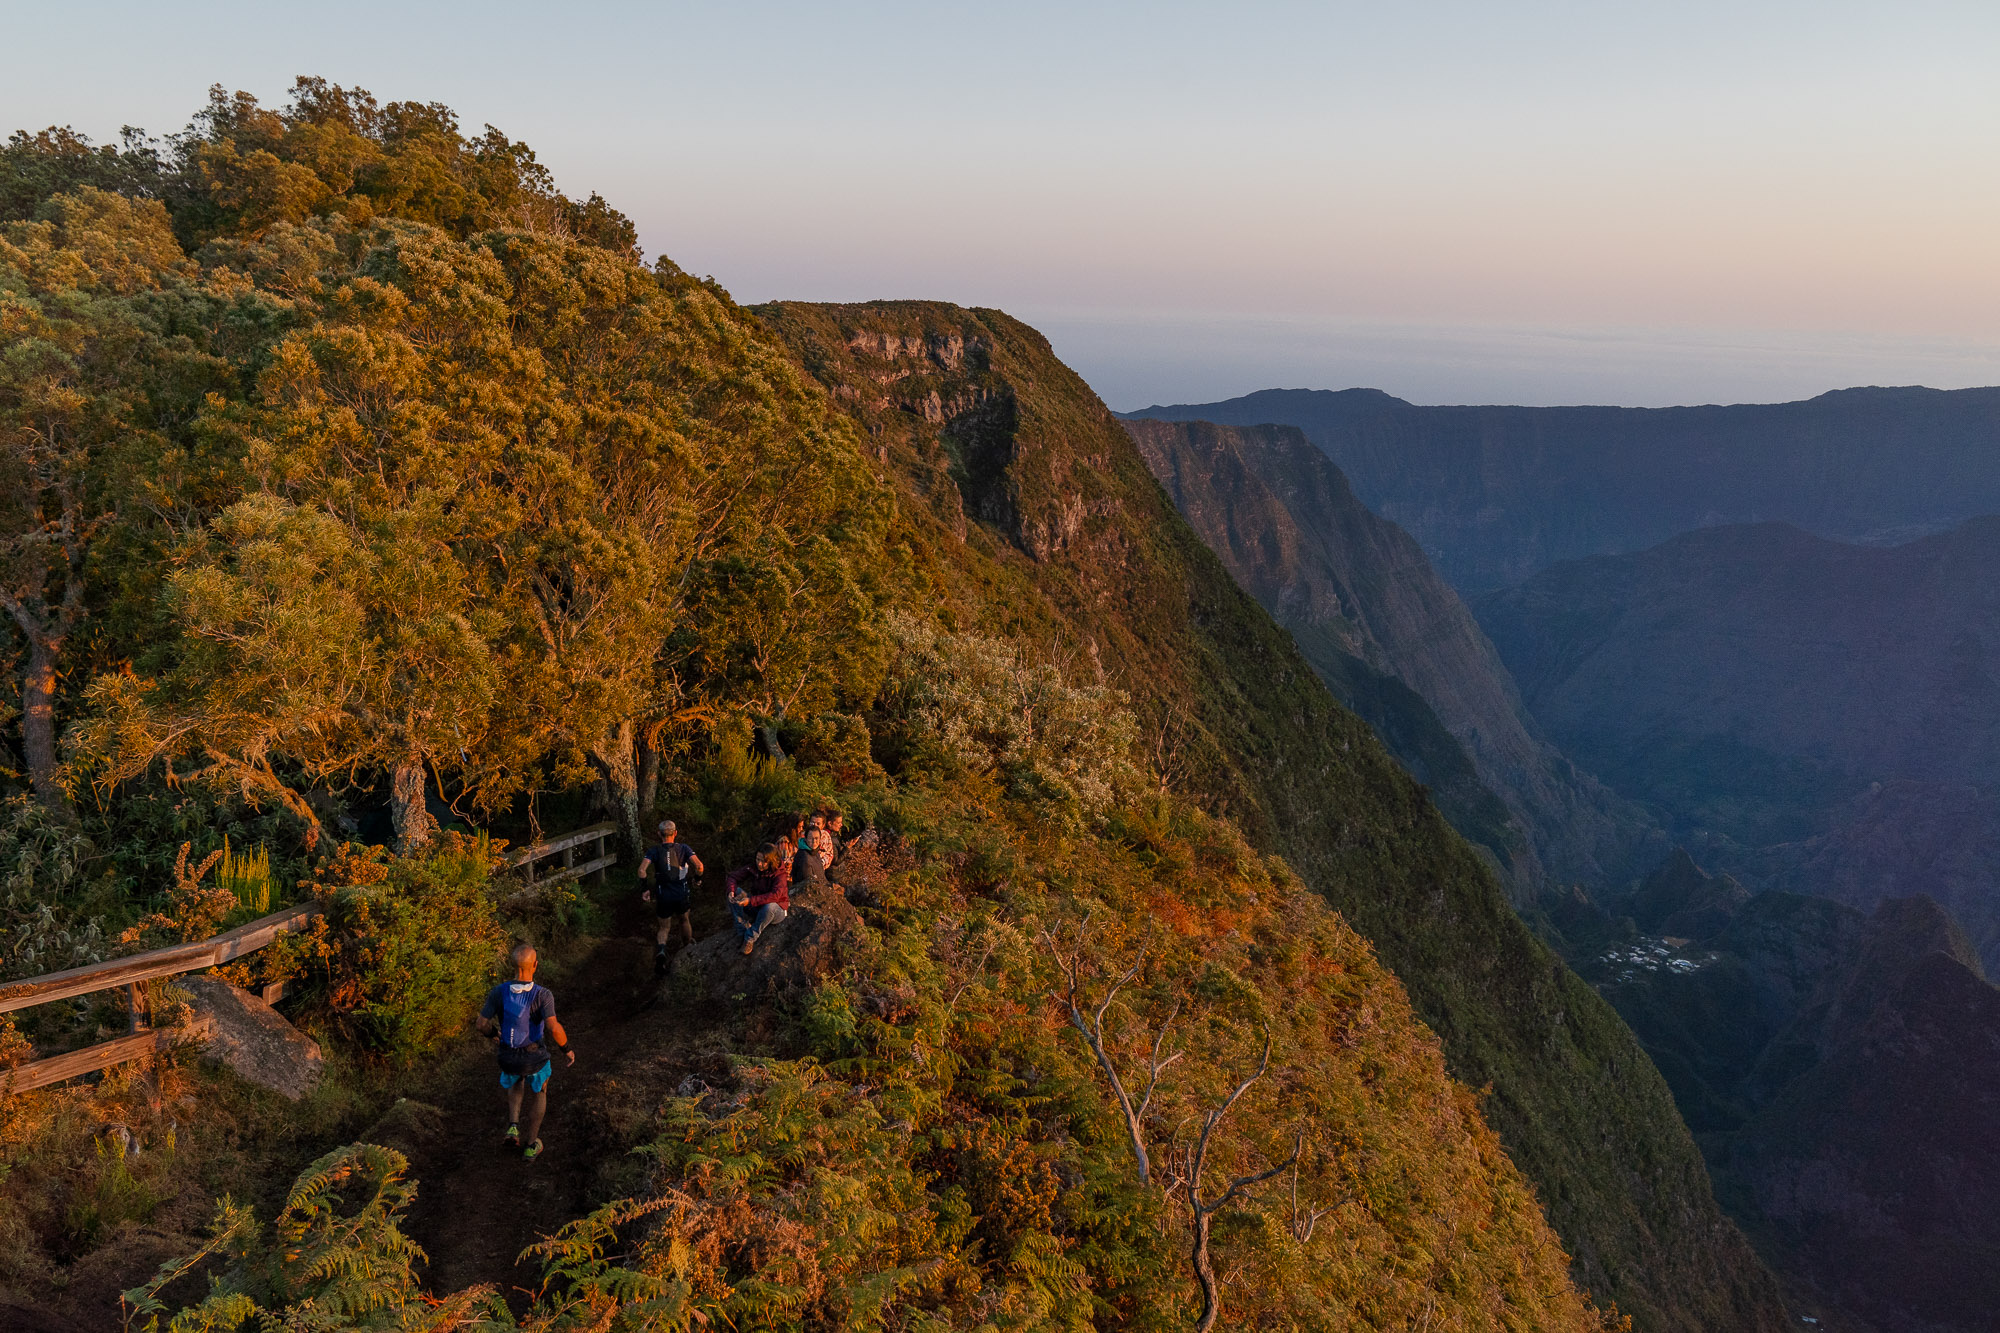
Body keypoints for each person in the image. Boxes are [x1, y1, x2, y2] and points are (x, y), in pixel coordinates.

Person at [476, 943, 575, 1160]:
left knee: (515, 1078)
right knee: (540, 1091)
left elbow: (481, 1024)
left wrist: (494, 1034)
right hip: (534, 1058)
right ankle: (531, 1144)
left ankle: (513, 1127)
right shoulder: (543, 994)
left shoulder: (498, 992)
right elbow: (554, 1028)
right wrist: (566, 1049)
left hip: (507, 1057)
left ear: (512, 965)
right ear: (535, 965)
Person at [639, 819, 704, 975]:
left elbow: (641, 870)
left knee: (664, 927)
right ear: (675, 833)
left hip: (663, 894)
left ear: (659, 834)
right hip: (681, 892)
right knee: (684, 920)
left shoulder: (654, 850)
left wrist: (645, 889)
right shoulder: (684, 848)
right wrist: (697, 879)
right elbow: (699, 866)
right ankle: (688, 947)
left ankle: (661, 951)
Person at [726, 842, 790, 956]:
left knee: (769, 907)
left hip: (777, 910)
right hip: (757, 905)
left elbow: (775, 895)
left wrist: (750, 900)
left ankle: (750, 937)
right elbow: (732, 877)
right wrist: (731, 891)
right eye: (757, 859)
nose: (759, 864)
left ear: (771, 861)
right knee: (736, 893)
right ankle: (741, 930)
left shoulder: (779, 874)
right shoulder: (753, 867)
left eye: (763, 861)